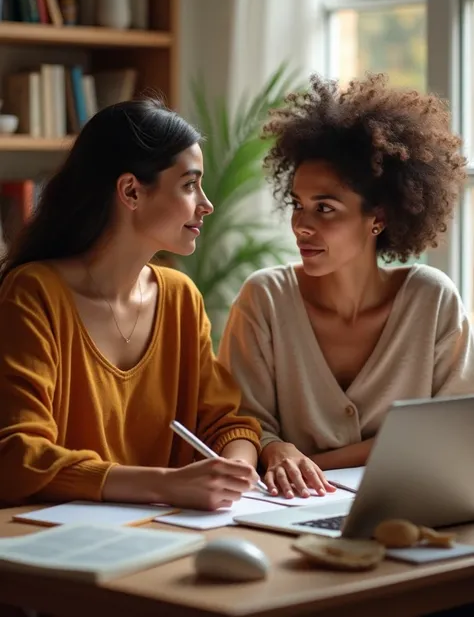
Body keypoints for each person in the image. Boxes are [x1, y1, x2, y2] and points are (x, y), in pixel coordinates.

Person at [218, 73, 473, 500]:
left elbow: (450, 433)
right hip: (283, 512)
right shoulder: (264, 298)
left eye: (326, 208)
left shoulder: (432, 300)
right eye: (298, 205)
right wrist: (274, 448)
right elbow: (241, 423)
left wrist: (305, 464)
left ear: (379, 217)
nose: (301, 225)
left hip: (405, 506)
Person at [0, 97, 261, 510]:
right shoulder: (34, 293)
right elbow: (19, 454)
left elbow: (226, 422)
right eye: (190, 185)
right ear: (131, 191)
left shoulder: (180, 298)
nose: (206, 204)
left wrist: (235, 469)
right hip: (52, 540)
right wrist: (164, 485)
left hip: (161, 533)